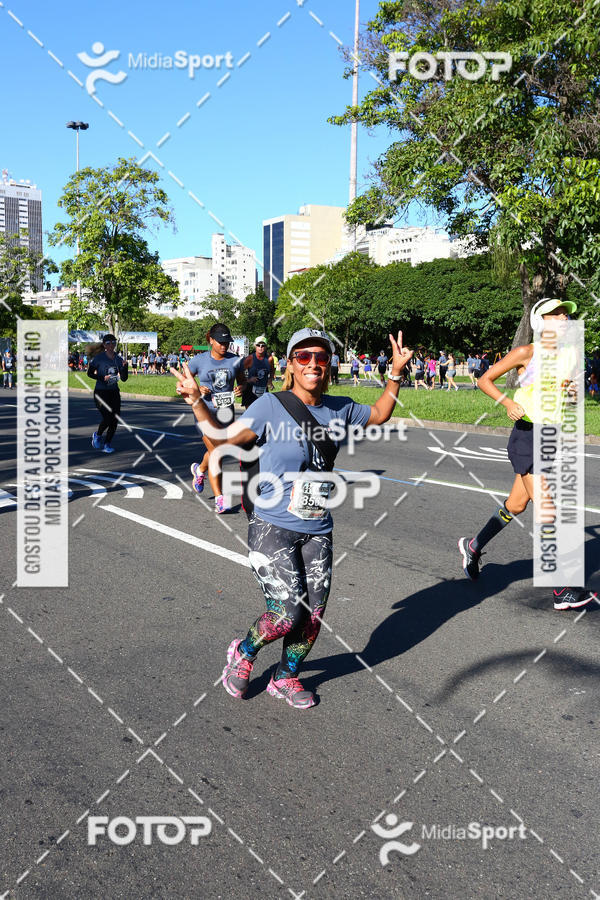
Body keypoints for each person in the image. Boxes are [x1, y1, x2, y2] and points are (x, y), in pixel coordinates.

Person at [171, 327, 413, 708]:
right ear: (290, 364)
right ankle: (245, 652)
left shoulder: (341, 407)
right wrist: (197, 402)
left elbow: (380, 413)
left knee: (312, 615)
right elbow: (223, 442)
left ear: (329, 365)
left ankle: (285, 677)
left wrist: (395, 373)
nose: (313, 363)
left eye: (321, 356)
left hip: (318, 527)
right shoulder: (270, 406)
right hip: (272, 523)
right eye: (303, 357)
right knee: (285, 613)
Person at [458, 298, 597, 611]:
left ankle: (473, 546)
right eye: (557, 314)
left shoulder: (571, 354)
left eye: (566, 314)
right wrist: (507, 403)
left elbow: (571, 393)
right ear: (541, 321)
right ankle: (562, 589)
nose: (563, 319)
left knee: (517, 504)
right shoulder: (526, 353)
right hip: (526, 437)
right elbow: (484, 380)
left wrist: (571, 392)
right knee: (548, 509)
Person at [187, 323, 246, 513]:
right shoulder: (198, 361)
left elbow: (243, 382)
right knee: (217, 452)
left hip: (225, 413)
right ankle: (220, 498)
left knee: (216, 450)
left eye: (227, 342)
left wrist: (240, 388)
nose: (224, 345)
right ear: (210, 340)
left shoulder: (235, 360)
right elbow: (184, 382)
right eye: (220, 342)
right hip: (204, 412)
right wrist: (197, 388)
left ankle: (200, 470)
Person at [87, 334, 128, 453]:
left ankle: (107, 444)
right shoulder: (99, 358)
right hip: (101, 392)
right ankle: (98, 435)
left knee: (115, 418)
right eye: (108, 343)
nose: (111, 345)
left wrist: (125, 367)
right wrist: (102, 377)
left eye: (113, 342)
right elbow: (89, 373)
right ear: (104, 345)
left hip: (114, 391)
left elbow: (124, 378)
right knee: (108, 417)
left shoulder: (119, 359)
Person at [243, 337, 274, 407]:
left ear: (266, 347)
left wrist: (270, 380)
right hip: (250, 390)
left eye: (263, 345)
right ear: (255, 346)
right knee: (250, 414)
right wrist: (249, 380)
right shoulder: (250, 358)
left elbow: (272, 369)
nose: (260, 347)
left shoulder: (270, 359)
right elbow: (239, 372)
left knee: (263, 413)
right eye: (258, 345)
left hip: (263, 389)